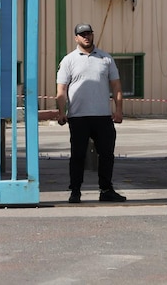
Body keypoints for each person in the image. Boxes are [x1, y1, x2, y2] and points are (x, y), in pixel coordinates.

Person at [56, 23, 126, 203]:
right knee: (78, 155)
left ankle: (106, 190)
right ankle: (75, 191)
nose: (86, 37)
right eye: (82, 34)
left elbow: (116, 85)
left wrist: (118, 110)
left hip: (102, 116)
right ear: (76, 38)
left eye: (88, 33)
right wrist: (61, 112)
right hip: (78, 117)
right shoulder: (69, 60)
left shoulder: (105, 58)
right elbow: (61, 89)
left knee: (107, 154)